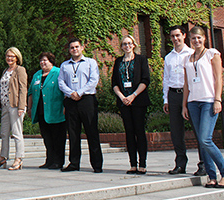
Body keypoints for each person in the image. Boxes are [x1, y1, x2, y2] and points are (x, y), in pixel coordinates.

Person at [182, 26, 224, 188]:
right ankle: (211, 176)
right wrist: (184, 105)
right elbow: (186, 85)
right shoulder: (187, 59)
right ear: (189, 40)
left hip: (209, 101)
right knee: (201, 141)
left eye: (199, 38)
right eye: (193, 38)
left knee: (206, 138)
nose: (196, 41)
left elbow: (218, 78)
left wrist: (218, 99)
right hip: (193, 102)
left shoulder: (212, 54)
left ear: (204, 38)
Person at [163, 25, 206, 176]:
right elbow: (166, 79)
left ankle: (203, 164)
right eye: (172, 36)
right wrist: (165, 99)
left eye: (177, 35)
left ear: (184, 35)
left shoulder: (192, 53)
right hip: (174, 95)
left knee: (198, 129)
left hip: (191, 94)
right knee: (176, 131)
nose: (175, 39)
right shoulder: (168, 57)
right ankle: (180, 164)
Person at [58, 38, 103, 173]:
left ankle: (97, 164)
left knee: (92, 132)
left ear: (82, 47)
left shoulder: (90, 62)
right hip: (71, 100)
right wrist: (71, 93)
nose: (74, 49)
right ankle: (74, 162)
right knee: (73, 133)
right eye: (72, 47)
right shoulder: (65, 65)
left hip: (87, 99)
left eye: (77, 47)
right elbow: (61, 82)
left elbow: (93, 80)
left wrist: (80, 92)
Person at [111, 35, 151, 174]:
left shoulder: (141, 59)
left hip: (138, 100)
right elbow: (115, 83)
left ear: (134, 45)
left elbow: (145, 80)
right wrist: (122, 97)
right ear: (121, 46)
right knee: (129, 133)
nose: (127, 46)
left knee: (139, 131)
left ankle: (142, 164)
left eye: (129, 43)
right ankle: (133, 164)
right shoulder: (118, 62)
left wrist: (133, 96)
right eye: (124, 44)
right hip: (124, 102)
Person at [28, 52, 66, 170]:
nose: (43, 63)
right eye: (41, 60)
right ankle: (49, 160)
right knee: (47, 138)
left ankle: (58, 161)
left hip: (56, 111)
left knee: (58, 138)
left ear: (51, 61)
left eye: (45, 60)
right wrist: (29, 108)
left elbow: (65, 91)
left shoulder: (58, 72)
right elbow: (30, 93)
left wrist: (65, 107)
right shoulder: (37, 75)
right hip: (41, 111)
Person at [0, 47, 27, 171]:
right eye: (8, 56)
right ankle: (3, 157)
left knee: (17, 133)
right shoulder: (5, 71)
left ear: (17, 57)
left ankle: (19, 158)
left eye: (12, 56)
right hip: (5, 105)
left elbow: (23, 88)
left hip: (15, 105)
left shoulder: (20, 70)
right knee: (4, 132)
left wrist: (21, 106)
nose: (9, 58)